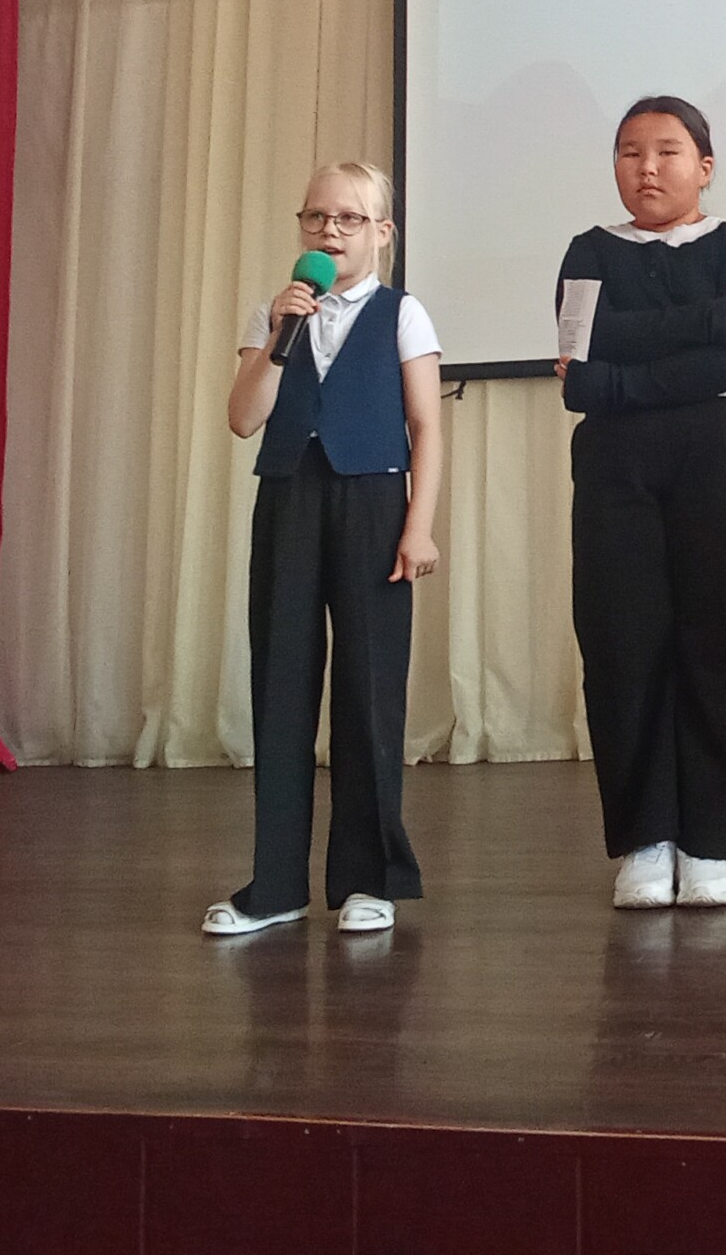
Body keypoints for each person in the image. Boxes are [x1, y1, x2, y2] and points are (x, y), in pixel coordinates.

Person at [205, 161, 444, 936]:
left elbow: (426, 427)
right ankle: (276, 884)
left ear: (382, 233)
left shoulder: (403, 314)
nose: (329, 231)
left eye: (348, 219)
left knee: (369, 689)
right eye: (315, 217)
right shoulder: (273, 315)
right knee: (281, 683)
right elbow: (244, 419)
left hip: (375, 501)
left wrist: (418, 524)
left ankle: (368, 879)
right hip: (289, 498)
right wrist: (278, 338)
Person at [555, 97, 726, 910]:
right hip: (616, 469)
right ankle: (645, 840)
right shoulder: (588, 251)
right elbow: (581, 358)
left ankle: (711, 841)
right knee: (623, 644)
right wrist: (709, 321)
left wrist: (617, 376)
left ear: (705, 167)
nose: (646, 167)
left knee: (724, 643)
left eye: (667, 151)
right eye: (629, 152)